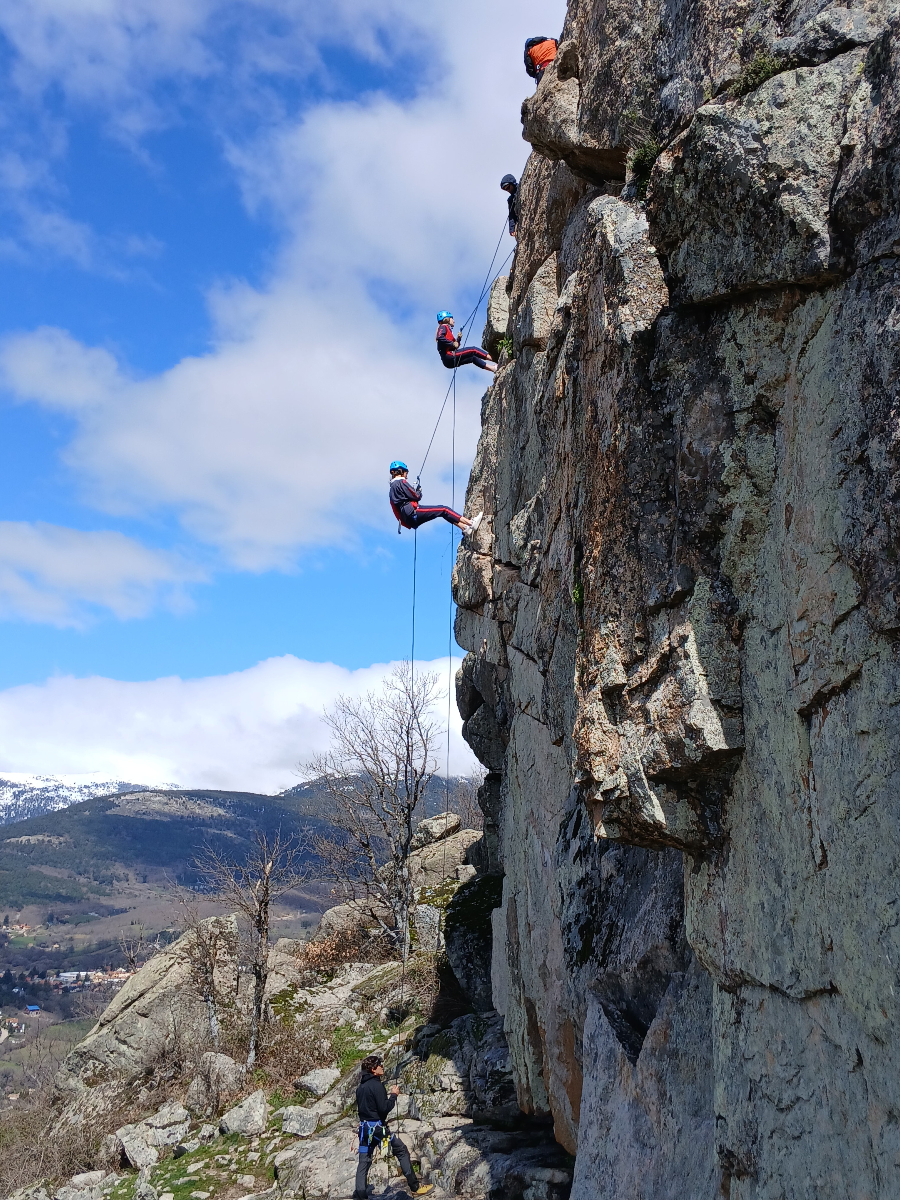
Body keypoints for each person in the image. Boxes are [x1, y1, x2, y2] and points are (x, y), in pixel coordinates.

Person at [353, 1054, 433, 1198]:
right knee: (401, 1150)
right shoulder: (376, 1086)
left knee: (364, 1160)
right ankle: (415, 1187)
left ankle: (360, 1195)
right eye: (379, 1065)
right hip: (378, 1130)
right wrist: (394, 1095)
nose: (382, 1066)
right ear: (373, 1069)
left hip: (364, 1130)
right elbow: (384, 1108)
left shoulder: (361, 1088)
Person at [389, 462, 483, 535]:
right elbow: (416, 496)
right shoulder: (401, 482)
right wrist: (419, 491)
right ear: (400, 471)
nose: (406, 475)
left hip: (408, 518)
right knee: (444, 509)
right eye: (406, 472)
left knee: (442, 513)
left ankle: (464, 528)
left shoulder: (392, 488)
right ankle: (470, 523)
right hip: (412, 512)